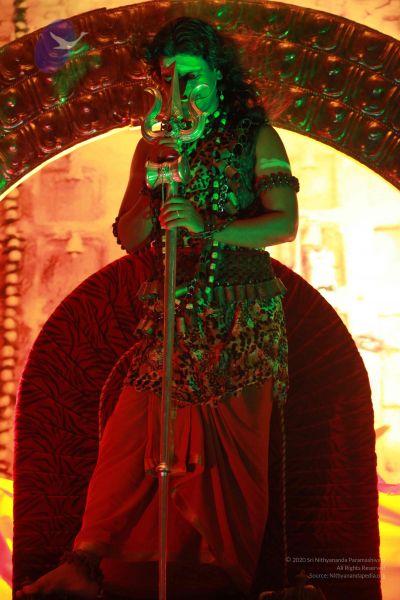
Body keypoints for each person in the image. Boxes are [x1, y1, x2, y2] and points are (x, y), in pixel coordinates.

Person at [17, 16, 299, 600]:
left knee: (230, 469)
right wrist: (155, 185)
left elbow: (283, 225)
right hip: (169, 320)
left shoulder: (256, 137)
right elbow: (130, 235)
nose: (179, 89)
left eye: (191, 75)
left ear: (217, 74)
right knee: (129, 443)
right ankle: (87, 565)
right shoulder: (154, 143)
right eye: (168, 76)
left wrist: (207, 224)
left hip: (240, 321)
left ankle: (223, 581)